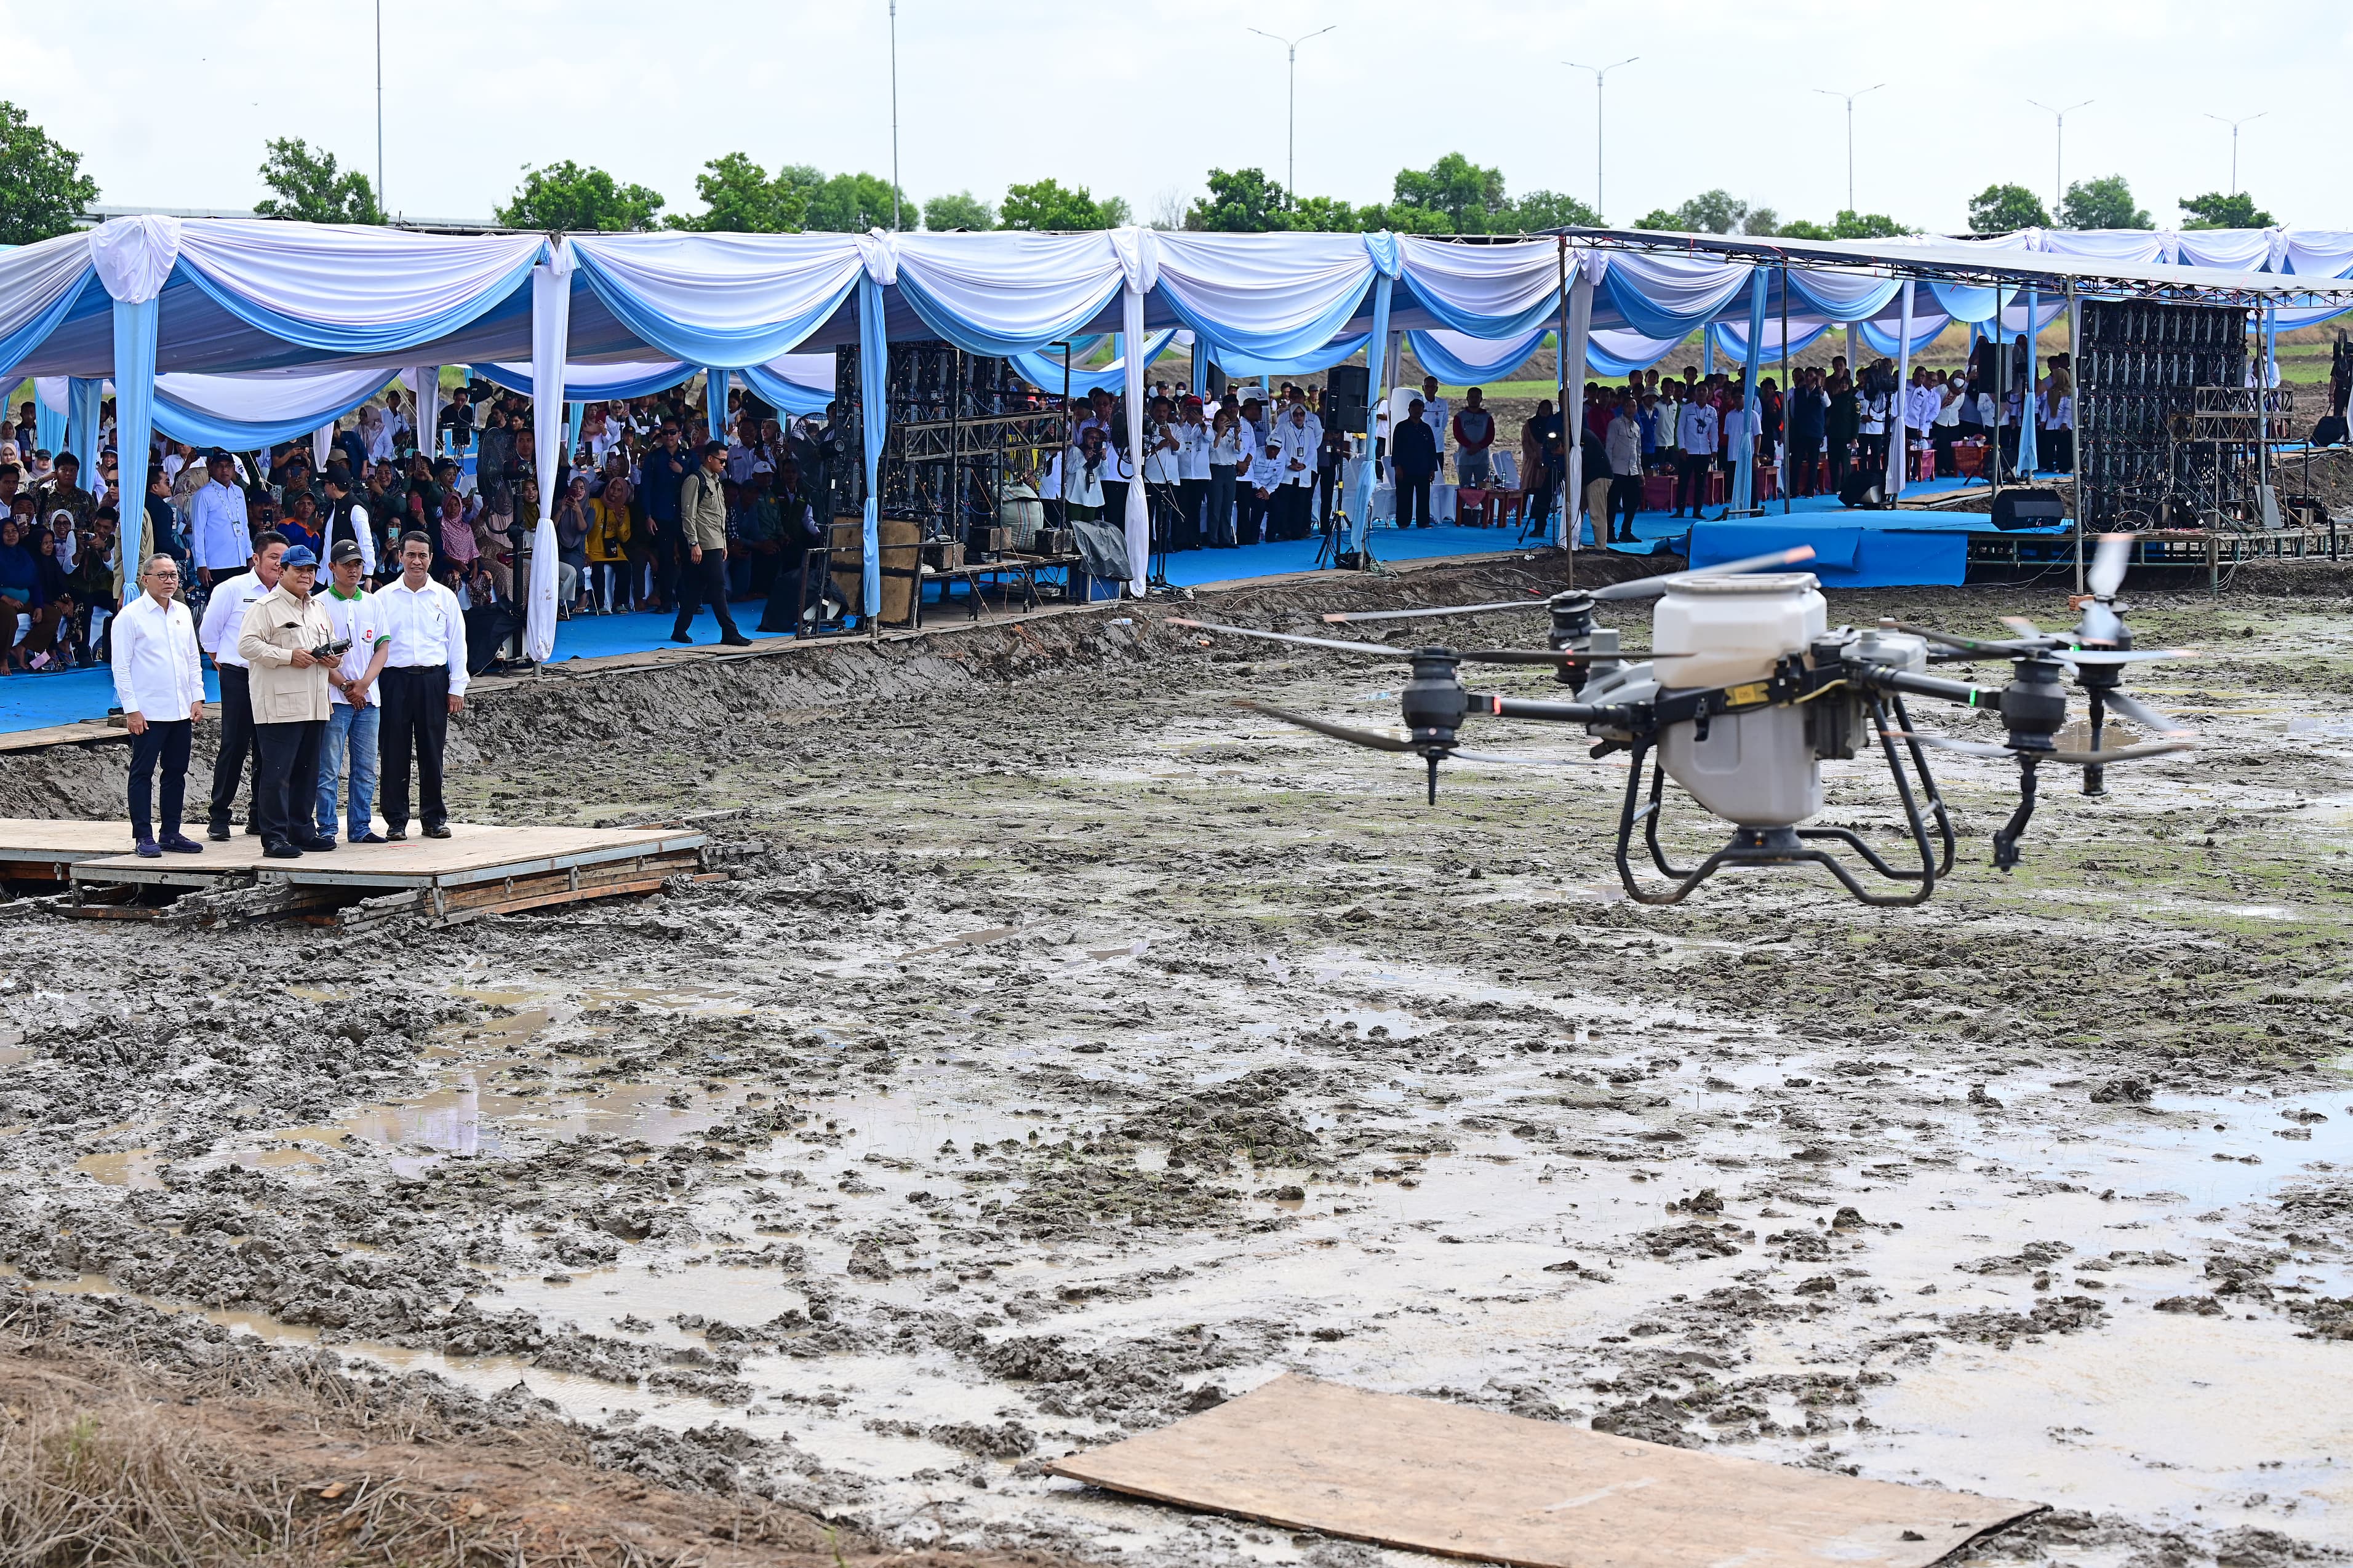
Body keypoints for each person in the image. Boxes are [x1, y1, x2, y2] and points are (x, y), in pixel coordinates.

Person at [236, 543, 338, 859]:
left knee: (308, 770)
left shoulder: (318, 608)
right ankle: (275, 837)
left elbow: (325, 645)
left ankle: (302, 829)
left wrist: (332, 659)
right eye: (299, 570)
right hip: (280, 704)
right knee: (277, 773)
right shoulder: (265, 607)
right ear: (282, 571)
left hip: (315, 701)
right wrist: (286, 656)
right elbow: (246, 646)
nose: (306, 576)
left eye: (310, 570)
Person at [110, 554, 208, 858]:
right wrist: (131, 709)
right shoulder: (130, 616)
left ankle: (171, 832)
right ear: (146, 579)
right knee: (142, 772)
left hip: (180, 708)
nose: (169, 581)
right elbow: (121, 667)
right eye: (163, 575)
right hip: (148, 712)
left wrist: (197, 696)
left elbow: (192, 657)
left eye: (174, 575)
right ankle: (143, 835)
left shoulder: (181, 611)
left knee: (176, 772)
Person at [375, 531, 468, 842]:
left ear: (430, 559)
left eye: (423, 556)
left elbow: (457, 644)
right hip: (394, 681)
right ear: (400, 556)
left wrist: (457, 687)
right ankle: (396, 820)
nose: (417, 562)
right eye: (411, 555)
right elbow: (373, 647)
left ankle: (434, 818)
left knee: (432, 751)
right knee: (393, 751)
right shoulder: (383, 599)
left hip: (433, 681)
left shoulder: (445, 597)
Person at [198, 533, 286, 837]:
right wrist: (223, 662)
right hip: (239, 675)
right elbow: (209, 634)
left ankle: (259, 817)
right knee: (233, 746)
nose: (278, 564)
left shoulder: (289, 593)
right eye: (273, 557)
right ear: (256, 558)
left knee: (268, 748)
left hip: (274, 677)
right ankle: (219, 817)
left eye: (282, 559)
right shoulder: (232, 589)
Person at [315, 540, 390, 846]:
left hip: (369, 699)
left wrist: (364, 684)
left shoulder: (373, 603)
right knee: (329, 768)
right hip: (334, 699)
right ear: (332, 568)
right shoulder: (318, 604)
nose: (353, 570)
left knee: (365, 768)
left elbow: (382, 648)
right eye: (346, 564)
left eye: (357, 564)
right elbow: (318, 654)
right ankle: (327, 829)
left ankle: (360, 827)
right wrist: (345, 685)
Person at [670, 440, 750, 646]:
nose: (724, 464)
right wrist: (693, 542)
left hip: (714, 542)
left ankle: (679, 630)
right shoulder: (695, 480)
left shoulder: (716, 481)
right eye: (722, 460)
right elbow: (688, 514)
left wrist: (723, 543)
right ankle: (729, 631)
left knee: (697, 588)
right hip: (703, 543)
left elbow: (719, 516)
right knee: (718, 585)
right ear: (709, 458)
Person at [1391, 399, 1438, 528]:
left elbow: (1432, 450)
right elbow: (1396, 448)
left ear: (1423, 411)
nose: (1417, 411)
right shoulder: (1401, 427)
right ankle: (1403, 522)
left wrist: (1432, 469)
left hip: (1423, 468)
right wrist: (1397, 467)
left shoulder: (1426, 428)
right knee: (1404, 497)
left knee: (1424, 497)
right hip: (1405, 468)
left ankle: (1423, 522)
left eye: (1420, 408)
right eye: (1414, 408)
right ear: (1409, 410)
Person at [1674, 391, 1719, 519]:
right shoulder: (1687, 409)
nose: (1701, 394)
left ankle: (1697, 511)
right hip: (1688, 451)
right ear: (1695, 394)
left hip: (1704, 451)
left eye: (1704, 391)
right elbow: (1680, 429)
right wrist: (1682, 447)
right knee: (1683, 482)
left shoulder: (1712, 411)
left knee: (1701, 483)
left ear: (1707, 394)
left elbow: (1714, 432)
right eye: (1699, 391)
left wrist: (1714, 450)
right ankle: (1680, 510)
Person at [1604, 396, 1644, 543]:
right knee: (1613, 502)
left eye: (1633, 406)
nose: (1630, 409)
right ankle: (1609, 532)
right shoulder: (1615, 424)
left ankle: (1626, 531)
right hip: (1617, 469)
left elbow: (1638, 452)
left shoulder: (1637, 427)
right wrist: (1608, 470)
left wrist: (1640, 472)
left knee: (1634, 501)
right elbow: (1609, 447)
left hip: (1632, 470)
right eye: (1628, 406)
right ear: (1623, 407)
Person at [1452, 388, 1495, 490]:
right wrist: (1470, 446)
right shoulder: (1460, 416)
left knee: (1484, 489)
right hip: (1465, 459)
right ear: (1467, 399)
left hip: (1482, 459)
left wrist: (1479, 447)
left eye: (1477, 397)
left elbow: (1490, 436)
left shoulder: (1487, 417)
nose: (1474, 399)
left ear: (1481, 399)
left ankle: (1484, 507)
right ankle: (1462, 507)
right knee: (1464, 489)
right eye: (1472, 397)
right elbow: (1458, 434)